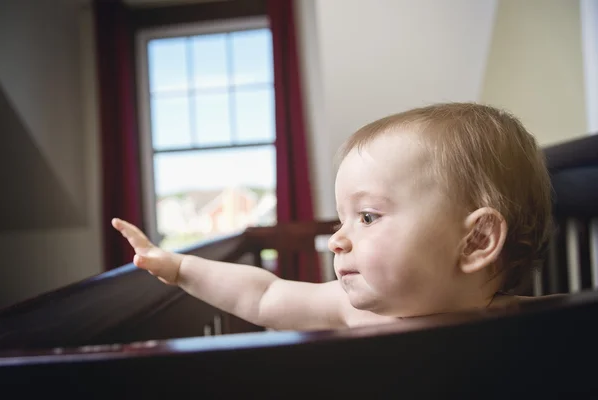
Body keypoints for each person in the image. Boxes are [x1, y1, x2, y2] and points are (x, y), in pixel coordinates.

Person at [112, 102, 553, 331]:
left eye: (366, 216)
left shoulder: (542, 326)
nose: (336, 241)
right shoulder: (352, 312)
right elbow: (262, 297)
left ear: (475, 241)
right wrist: (181, 267)